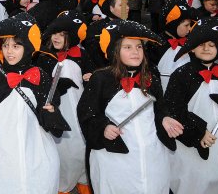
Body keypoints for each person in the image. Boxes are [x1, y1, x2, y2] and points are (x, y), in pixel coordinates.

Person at [0, 12, 69, 194]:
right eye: (5, 45)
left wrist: (51, 112)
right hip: (0, 153)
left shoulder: (41, 77)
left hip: (36, 151)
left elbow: (53, 122)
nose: (9, 51)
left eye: (16, 46)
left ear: (29, 46)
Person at [77, 20, 182, 194]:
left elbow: (160, 107)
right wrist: (103, 127)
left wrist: (165, 118)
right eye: (128, 47)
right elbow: (87, 112)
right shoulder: (101, 79)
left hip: (151, 150)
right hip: (115, 154)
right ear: (115, 51)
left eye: (139, 47)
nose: (135, 52)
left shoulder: (151, 78)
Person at [164, 17, 218, 193]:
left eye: (211, 45)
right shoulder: (182, 75)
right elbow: (174, 108)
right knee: (192, 180)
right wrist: (198, 132)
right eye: (201, 44)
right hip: (189, 141)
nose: (206, 49)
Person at [35, 10, 92, 194]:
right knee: (63, 150)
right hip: (58, 110)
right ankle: (63, 185)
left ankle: (84, 182)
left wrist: (91, 76)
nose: (57, 38)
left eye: (62, 35)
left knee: (81, 146)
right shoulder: (44, 58)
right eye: (55, 34)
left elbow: (95, 74)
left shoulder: (82, 56)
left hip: (79, 108)